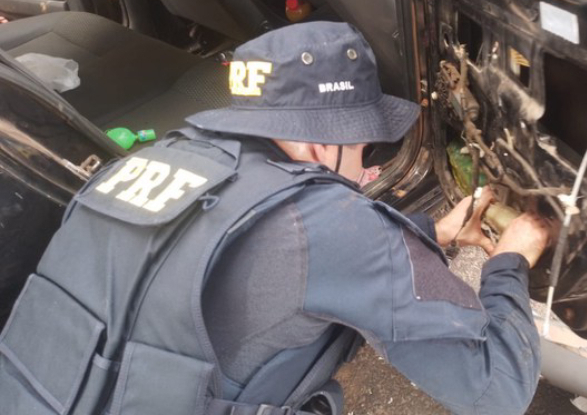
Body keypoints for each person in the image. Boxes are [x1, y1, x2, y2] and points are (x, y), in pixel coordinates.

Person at [0, 22, 550, 415]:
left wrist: (434, 234)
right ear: (319, 146)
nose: (366, 161)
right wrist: (510, 261)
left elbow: (270, 267)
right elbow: (498, 389)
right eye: (364, 145)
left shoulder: (151, 160)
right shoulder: (329, 223)